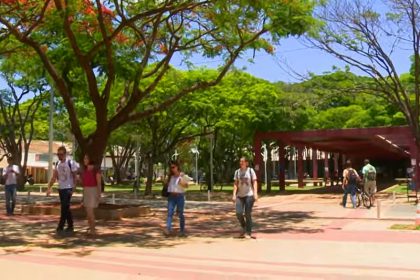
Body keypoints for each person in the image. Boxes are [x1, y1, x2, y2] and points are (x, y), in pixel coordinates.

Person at [47, 146, 78, 234]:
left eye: (61, 154)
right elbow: (54, 176)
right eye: (58, 154)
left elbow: (75, 177)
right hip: (61, 188)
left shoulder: (70, 163)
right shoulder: (57, 164)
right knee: (66, 207)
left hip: (68, 188)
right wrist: (49, 187)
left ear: (65, 154)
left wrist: (74, 188)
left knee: (64, 207)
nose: (59, 156)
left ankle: (60, 226)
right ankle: (70, 225)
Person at [233, 157, 258, 239]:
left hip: (249, 195)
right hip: (240, 196)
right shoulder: (237, 172)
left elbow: (254, 182)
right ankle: (244, 226)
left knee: (247, 213)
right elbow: (236, 184)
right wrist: (234, 194)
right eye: (240, 161)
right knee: (238, 213)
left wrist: (255, 193)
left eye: (243, 161)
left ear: (246, 163)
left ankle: (248, 231)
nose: (241, 163)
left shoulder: (250, 171)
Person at [163, 160, 189, 237]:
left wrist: (181, 182)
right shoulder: (170, 176)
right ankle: (168, 229)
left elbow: (186, 186)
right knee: (170, 213)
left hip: (179, 196)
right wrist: (165, 183)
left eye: (173, 167)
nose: (172, 169)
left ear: (177, 167)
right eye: (171, 168)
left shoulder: (182, 175)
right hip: (171, 197)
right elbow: (168, 185)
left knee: (180, 214)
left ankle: (182, 231)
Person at [80, 154, 102, 236]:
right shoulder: (85, 170)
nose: (84, 160)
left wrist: (99, 194)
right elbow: (84, 183)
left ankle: (93, 229)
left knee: (90, 212)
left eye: (86, 158)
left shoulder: (96, 170)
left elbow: (99, 183)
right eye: (84, 158)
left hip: (93, 190)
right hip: (86, 191)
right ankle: (90, 227)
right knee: (88, 212)